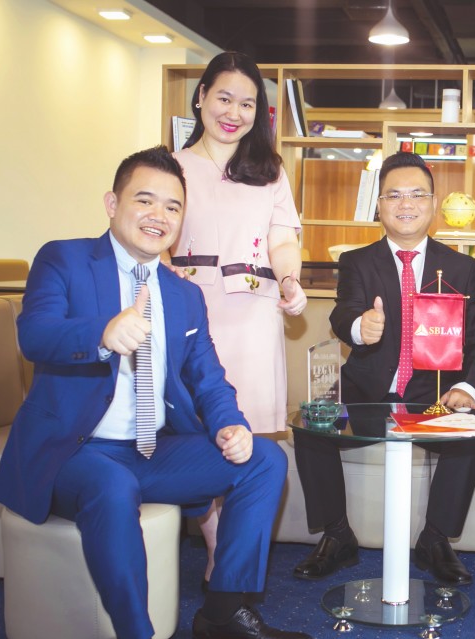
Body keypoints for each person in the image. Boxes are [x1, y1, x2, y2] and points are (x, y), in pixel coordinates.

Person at [0, 147, 312, 639]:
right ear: (112, 203)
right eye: (144, 200)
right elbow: (33, 334)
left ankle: (224, 610)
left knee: (264, 460)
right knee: (111, 486)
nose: (158, 215)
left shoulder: (183, 293)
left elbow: (208, 377)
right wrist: (101, 332)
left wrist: (232, 426)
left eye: (172, 206)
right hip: (76, 452)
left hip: (149, 450)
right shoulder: (64, 259)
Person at [292, 151, 475, 586]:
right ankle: (337, 535)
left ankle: (436, 539)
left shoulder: (460, 268)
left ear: (433, 203)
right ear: (380, 205)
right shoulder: (357, 261)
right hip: (364, 392)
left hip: (433, 396)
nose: (406, 204)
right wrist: (360, 328)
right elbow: (342, 314)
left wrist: (466, 387)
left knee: (473, 431)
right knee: (311, 423)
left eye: (417, 194)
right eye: (394, 195)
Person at [167, 52, 307, 588]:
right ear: (201, 96)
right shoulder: (172, 166)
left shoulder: (270, 171)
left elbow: (282, 239)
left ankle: (230, 553)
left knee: (246, 435)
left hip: (252, 316)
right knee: (201, 433)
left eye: (247, 104)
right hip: (190, 315)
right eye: (224, 98)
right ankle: (216, 550)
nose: (234, 113)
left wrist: (290, 281)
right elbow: (153, 237)